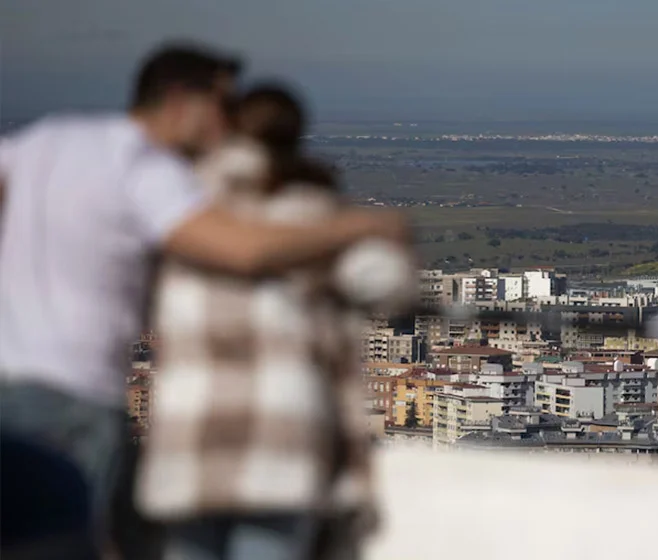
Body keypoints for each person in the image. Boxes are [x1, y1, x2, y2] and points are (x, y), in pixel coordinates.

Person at [0, 43, 408, 559]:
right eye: (220, 102)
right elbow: (245, 250)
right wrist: (362, 223)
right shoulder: (145, 168)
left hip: (9, 385)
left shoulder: (46, 138)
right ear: (179, 99)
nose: (225, 120)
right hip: (78, 390)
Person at [137, 84, 379, 560]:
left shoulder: (178, 210)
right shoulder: (316, 216)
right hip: (282, 444)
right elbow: (382, 281)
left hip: (190, 442)